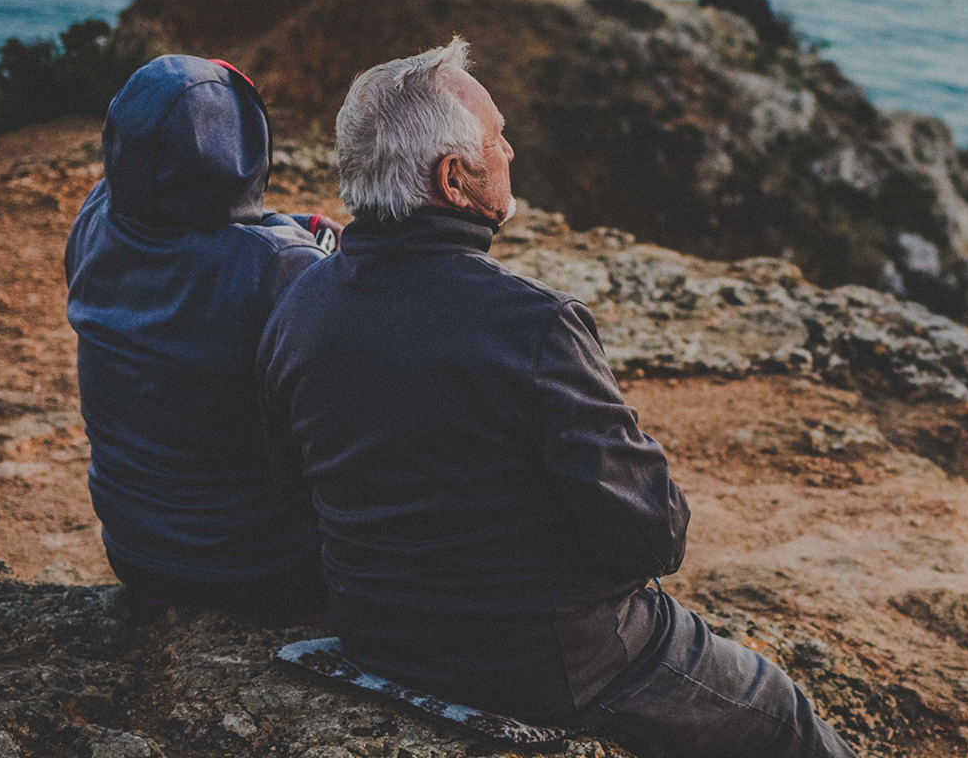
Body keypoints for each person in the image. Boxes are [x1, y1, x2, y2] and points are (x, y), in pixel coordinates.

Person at [258, 38, 857, 758]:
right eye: (498, 139)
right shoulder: (531, 324)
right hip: (547, 662)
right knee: (783, 715)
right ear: (455, 178)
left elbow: (292, 480)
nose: (510, 151)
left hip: (374, 632)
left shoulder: (300, 303)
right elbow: (655, 535)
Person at [66, 55, 335, 623]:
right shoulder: (280, 269)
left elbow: (195, 231)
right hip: (263, 569)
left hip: (134, 551)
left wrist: (288, 227)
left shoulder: (95, 217)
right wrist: (314, 242)